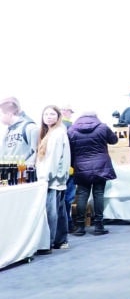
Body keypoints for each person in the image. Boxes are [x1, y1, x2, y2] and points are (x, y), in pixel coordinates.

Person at [68, 110, 118, 236]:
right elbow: (114, 140)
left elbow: (69, 149)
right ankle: (99, 226)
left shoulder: (72, 130)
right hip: (101, 166)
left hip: (81, 166)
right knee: (98, 194)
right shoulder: (102, 127)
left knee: (82, 195)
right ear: (95, 116)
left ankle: (80, 226)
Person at [37, 105, 71, 250]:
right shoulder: (52, 132)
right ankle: (61, 240)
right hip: (57, 179)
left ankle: (48, 242)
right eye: (46, 114)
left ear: (58, 117)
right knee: (60, 210)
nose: (48, 117)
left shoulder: (56, 134)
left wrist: (45, 177)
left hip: (51, 179)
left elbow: (53, 159)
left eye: (52, 114)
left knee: (52, 212)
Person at [0, 96, 38, 166]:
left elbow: (37, 153)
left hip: (22, 172)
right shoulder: (8, 130)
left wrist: (23, 169)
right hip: (7, 171)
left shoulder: (30, 128)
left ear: (9, 114)